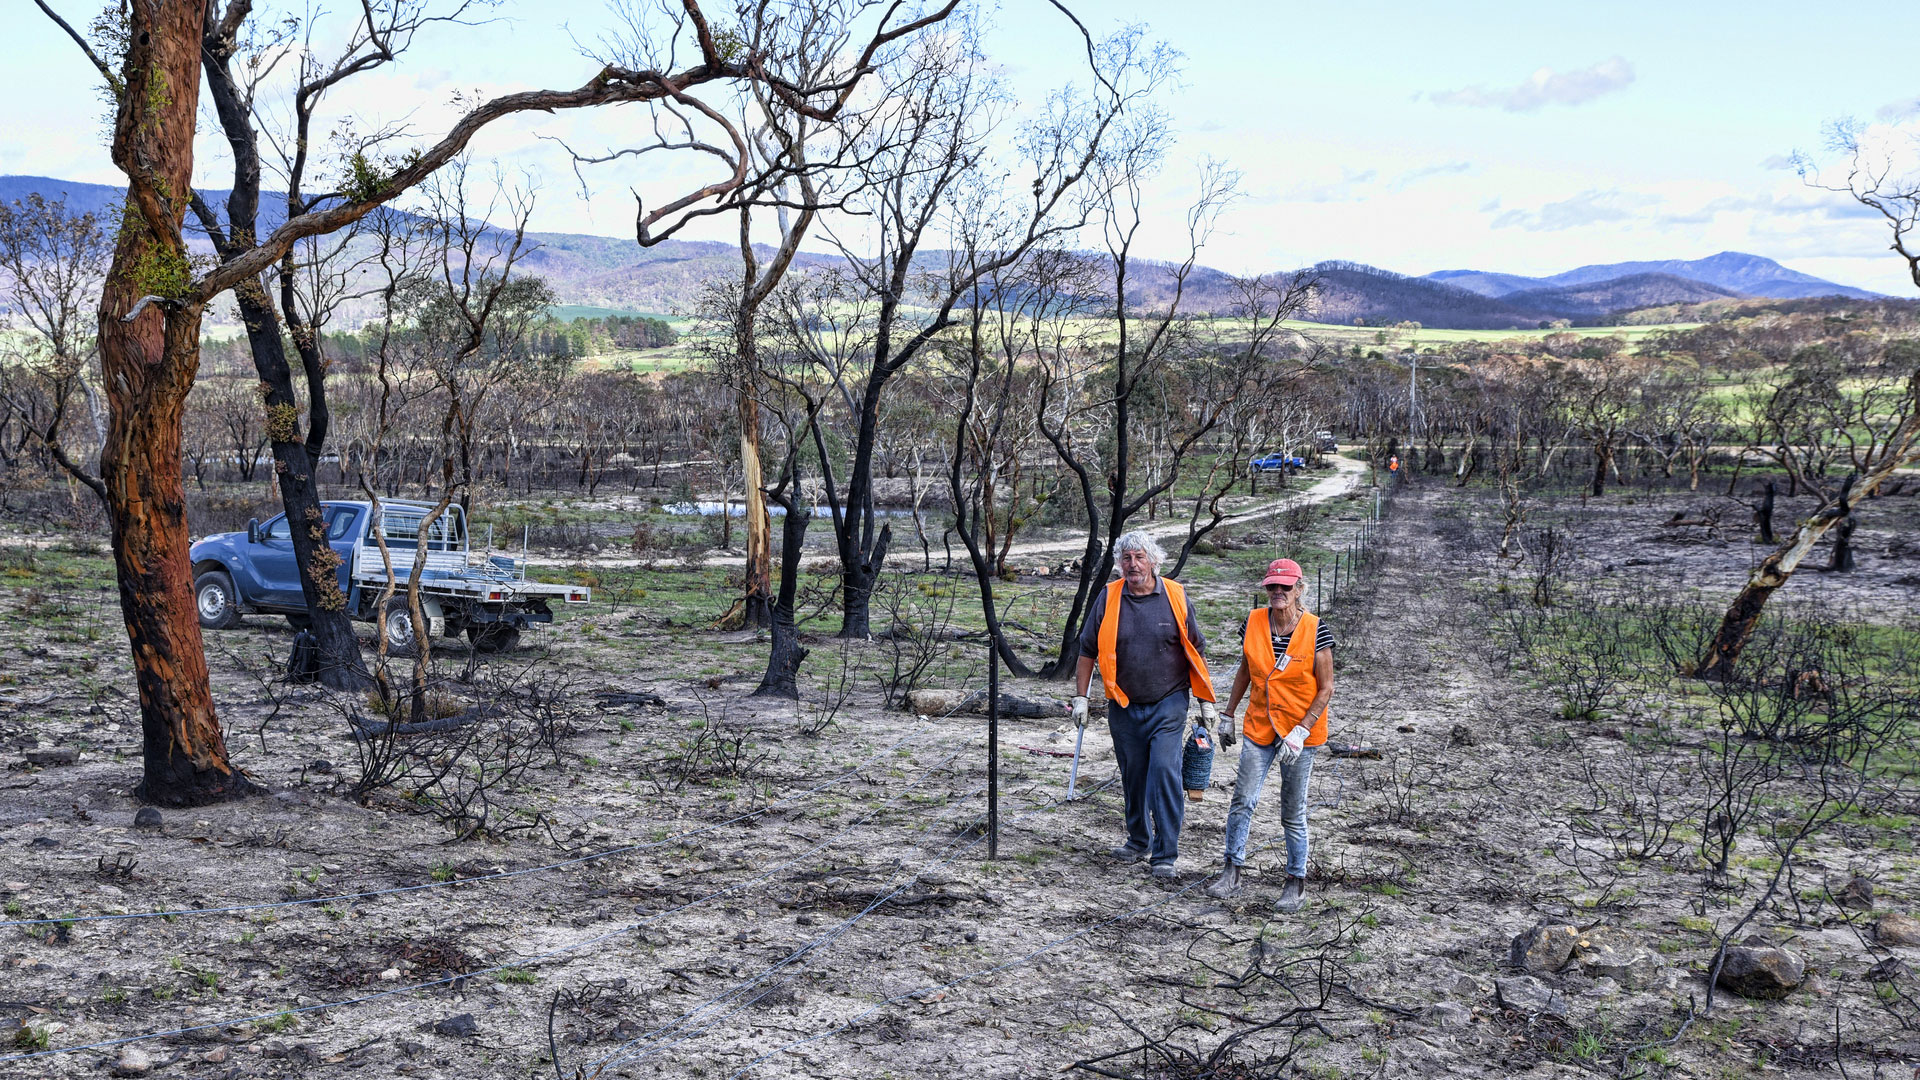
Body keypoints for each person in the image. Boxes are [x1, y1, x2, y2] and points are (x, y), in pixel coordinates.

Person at [1071, 531, 1217, 878]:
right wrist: (1081, 697)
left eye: (1139, 557)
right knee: (1133, 775)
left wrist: (1206, 701)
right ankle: (1139, 840)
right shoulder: (1109, 597)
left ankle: (1165, 854)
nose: (1132, 565)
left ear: (1153, 561)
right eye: (1126, 558)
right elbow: (1087, 650)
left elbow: (1195, 649)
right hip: (1123, 703)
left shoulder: (1176, 596)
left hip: (1169, 701)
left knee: (1164, 772)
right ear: (1119, 563)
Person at [1205, 558, 1334, 912]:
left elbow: (1326, 688)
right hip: (1261, 724)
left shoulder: (1316, 630)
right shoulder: (1253, 622)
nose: (1278, 593)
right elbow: (1246, 668)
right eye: (1272, 587)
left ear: (1298, 589)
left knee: (1293, 810)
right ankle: (1232, 870)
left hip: (1299, 732)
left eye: (1285, 587)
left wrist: (1302, 730)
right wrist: (1228, 714)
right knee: (1242, 800)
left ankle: (1296, 881)